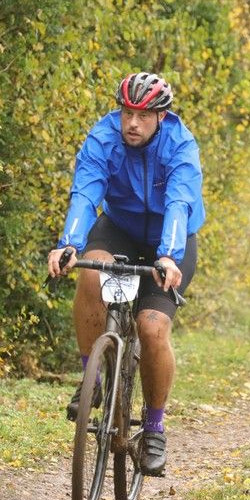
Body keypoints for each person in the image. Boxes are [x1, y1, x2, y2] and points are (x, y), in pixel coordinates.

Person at [46, 72, 204, 477]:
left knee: (152, 328)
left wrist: (168, 256)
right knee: (89, 276)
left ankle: (154, 429)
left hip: (169, 243)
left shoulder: (180, 145)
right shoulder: (103, 138)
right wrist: (69, 243)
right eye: (127, 113)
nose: (132, 123)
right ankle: (93, 377)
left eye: (143, 116)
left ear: (161, 116)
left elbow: (180, 202)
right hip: (119, 229)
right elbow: (86, 192)